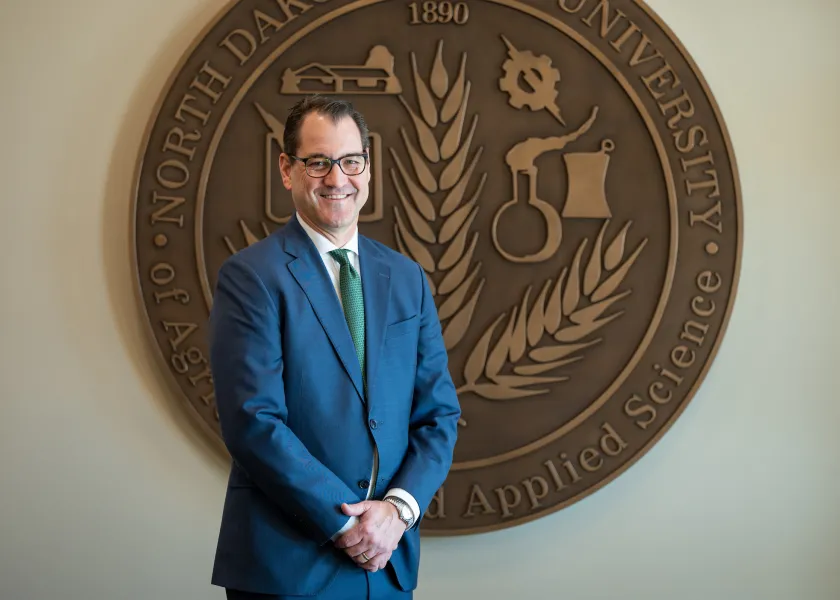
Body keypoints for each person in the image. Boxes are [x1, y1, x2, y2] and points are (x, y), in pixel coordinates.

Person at [208, 95, 461, 600]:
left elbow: (439, 416)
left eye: (351, 161)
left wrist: (397, 513)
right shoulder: (251, 277)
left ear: (368, 167)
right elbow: (252, 419)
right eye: (318, 162)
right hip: (288, 567)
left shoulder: (406, 278)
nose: (337, 178)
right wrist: (349, 527)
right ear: (287, 169)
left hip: (385, 567)